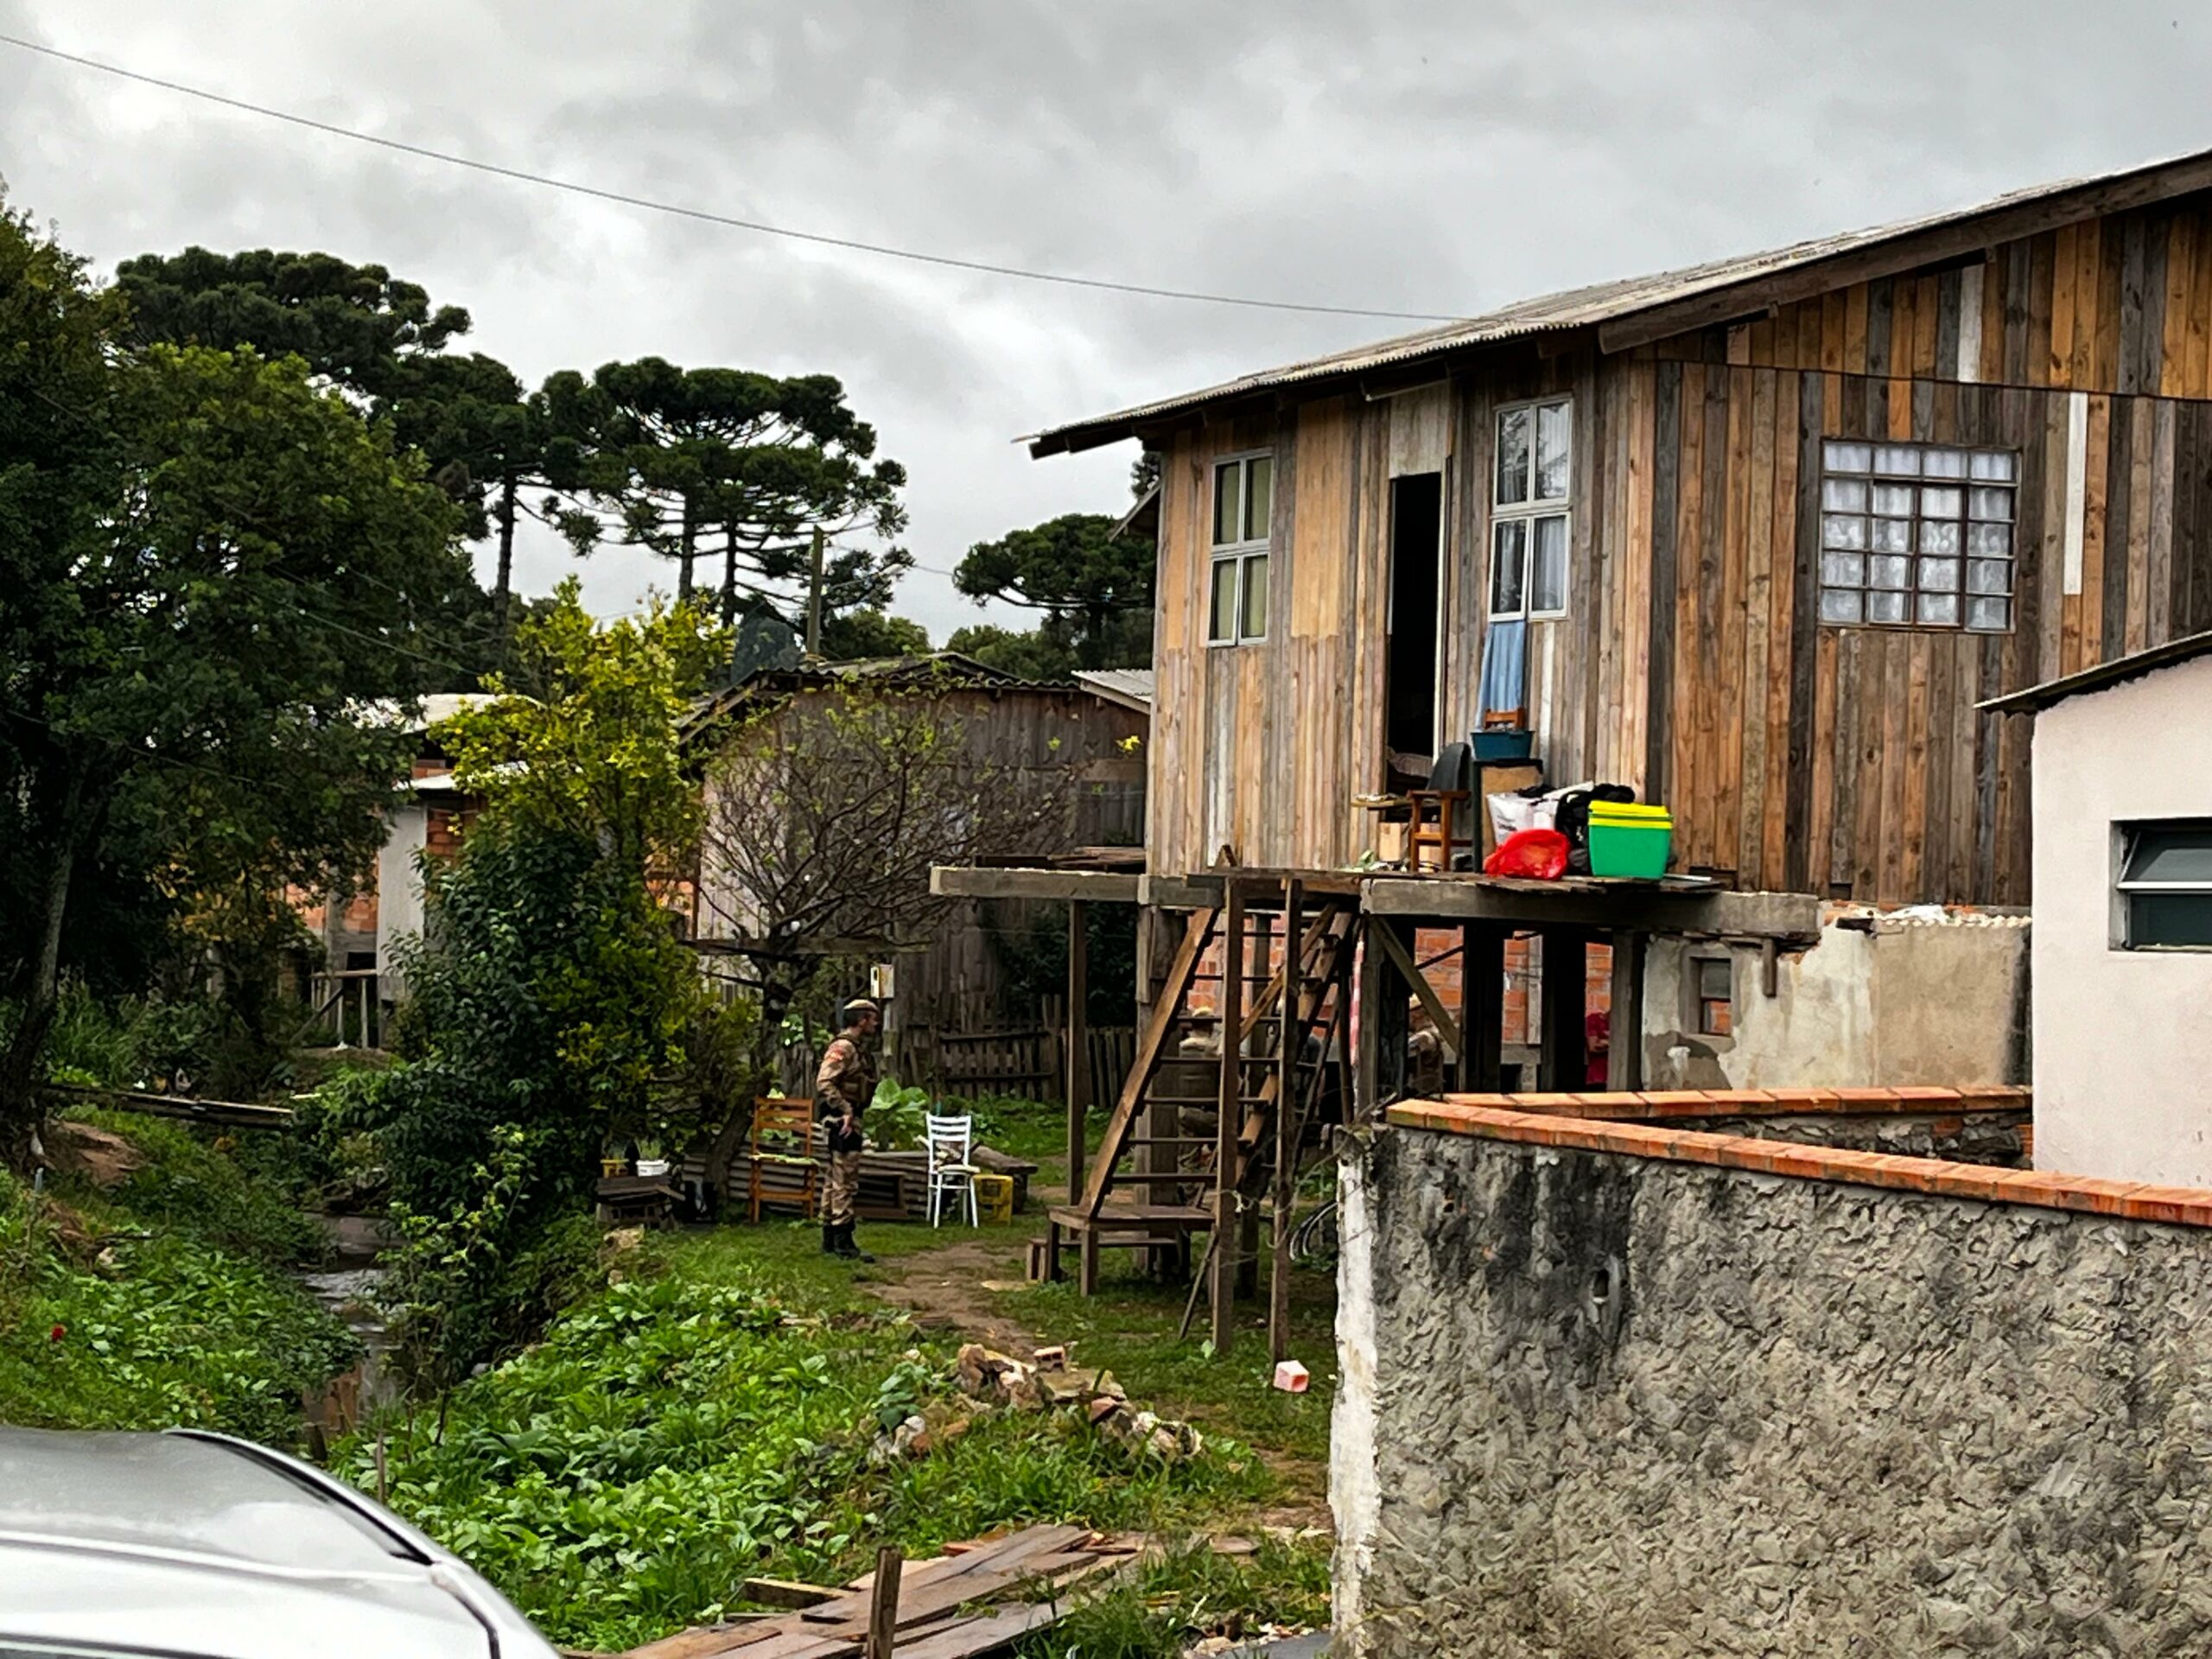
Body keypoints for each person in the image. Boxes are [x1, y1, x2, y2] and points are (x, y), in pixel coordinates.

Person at [814, 999, 880, 1262]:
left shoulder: (855, 1048)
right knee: (845, 1181)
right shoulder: (843, 1047)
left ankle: (830, 1238)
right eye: (872, 1018)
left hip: (845, 1119)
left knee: (834, 1180)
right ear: (862, 1020)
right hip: (842, 1122)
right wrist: (845, 1110)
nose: (875, 1024)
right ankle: (844, 1243)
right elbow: (824, 1082)